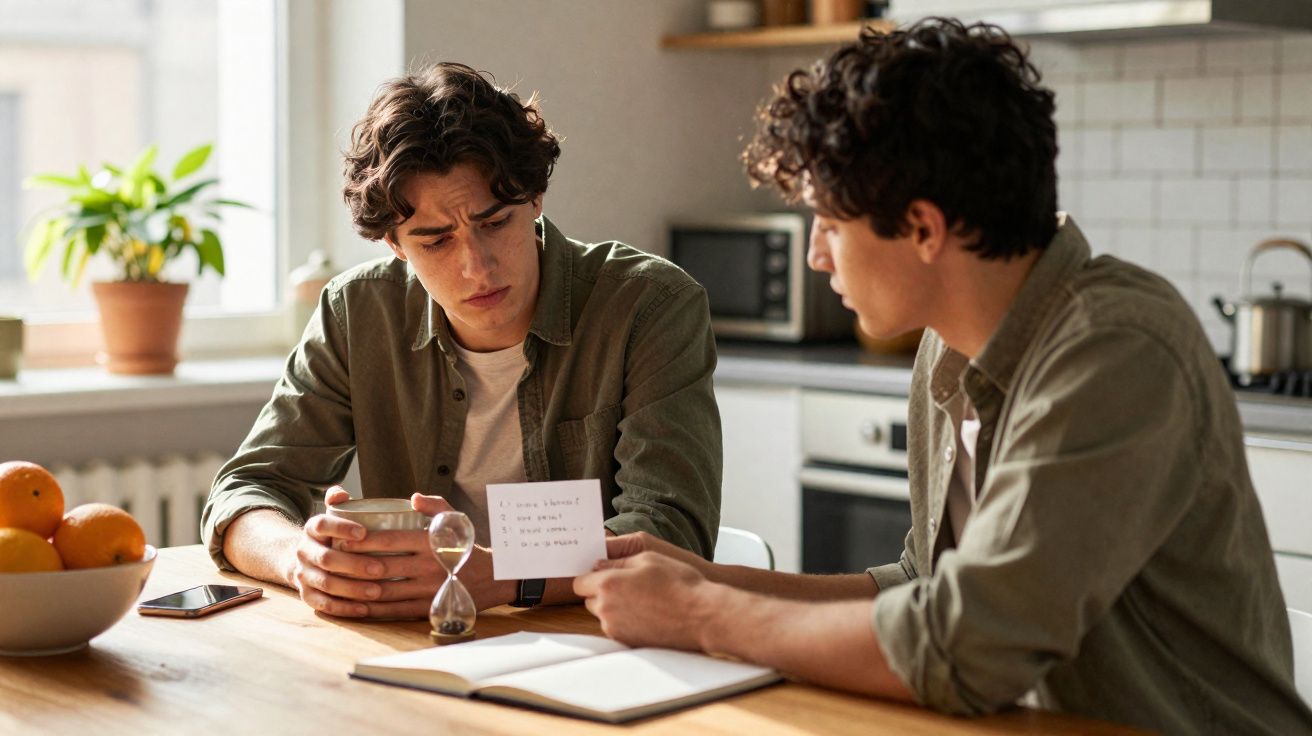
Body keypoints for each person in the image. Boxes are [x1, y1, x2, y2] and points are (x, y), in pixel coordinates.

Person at [575, 18, 1312, 734]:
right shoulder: (948, 348)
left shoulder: (1114, 351)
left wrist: (702, 615)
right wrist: (700, 578)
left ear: (924, 228)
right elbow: (925, 589)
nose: (816, 256)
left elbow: (966, 646)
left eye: (830, 224)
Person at [200, 63, 722, 620]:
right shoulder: (357, 312)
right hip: (418, 636)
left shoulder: (650, 305)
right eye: (436, 242)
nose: (477, 267)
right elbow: (245, 490)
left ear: (535, 198)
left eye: (494, 223)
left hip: (596, 635)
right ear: (395, 244)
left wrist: (499, 574)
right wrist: (300, 560)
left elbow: (670, 533)